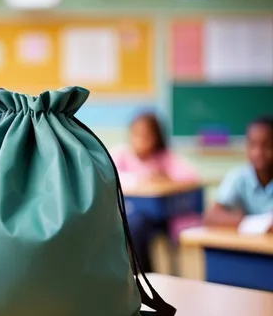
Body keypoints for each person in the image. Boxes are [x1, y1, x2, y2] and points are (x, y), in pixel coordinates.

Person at [113, 112, 199, 272]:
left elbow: (191, 177)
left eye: (146, 135)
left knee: (136, 227)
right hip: (125, 214)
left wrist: (166, 178)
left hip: (158, 218)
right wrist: (140, 178)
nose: (140, 140)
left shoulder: (164, 158)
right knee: (128, 225)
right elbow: (108, 174)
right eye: (136, 134)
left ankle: (146, 277)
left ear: (156, 137)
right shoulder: (121, 155)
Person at [205, 116, 273, 228]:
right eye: (252, 145)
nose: (258, 152)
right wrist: (253, 224)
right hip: (248, 243)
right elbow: (211, 216)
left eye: (267, 146)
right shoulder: (239, 176)